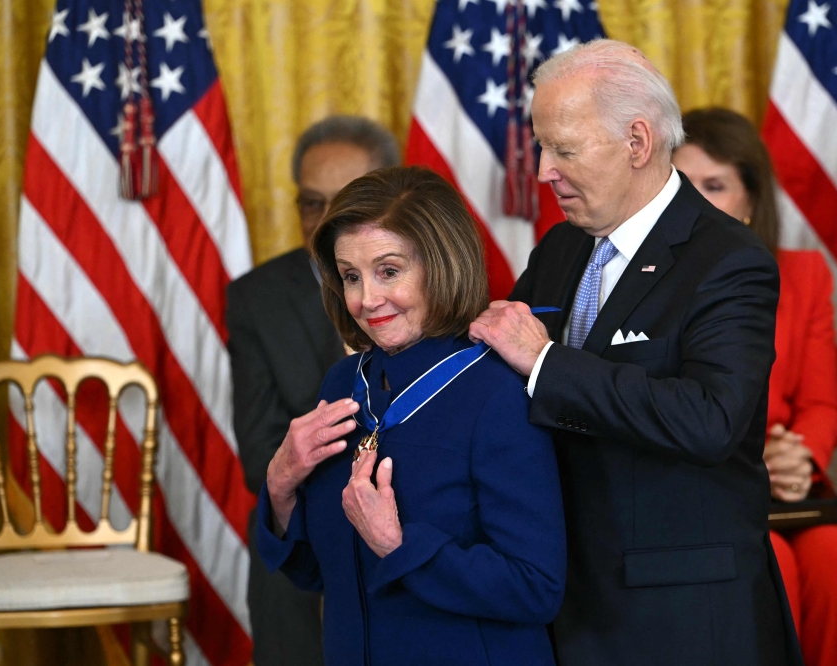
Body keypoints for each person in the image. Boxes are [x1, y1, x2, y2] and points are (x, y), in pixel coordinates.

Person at [470, 39, 802, 665]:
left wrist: (546, 365)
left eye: (563, 149)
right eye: (543, 147)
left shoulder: (728, 261)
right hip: (567, 602)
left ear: (638, 143)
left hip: (680, 615)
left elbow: (710, 419)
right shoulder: (560, 250)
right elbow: (498, 374)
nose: (544, 171)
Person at [256, 166, 566, 665]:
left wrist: (398, 544)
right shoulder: (342, 385)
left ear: (440, 265)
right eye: (351, 276)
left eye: (389, 271)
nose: (366, 300)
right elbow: (317, 573)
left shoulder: (498, 391)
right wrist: (280, 486)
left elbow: (536, 589)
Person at [673, 107, 837, 666]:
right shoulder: (648, 282)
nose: (699, 201)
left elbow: (823, 403)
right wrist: (754, 458)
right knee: (770, 561)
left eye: (716, 186)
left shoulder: (804, 274)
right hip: (708, 483)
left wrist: (795, 459)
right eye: (684, 185)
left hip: (788, 483)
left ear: (752, 201)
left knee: (834, 560)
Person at [226, 115, 400, 665]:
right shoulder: (256, 299)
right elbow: (261, 456)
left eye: (345, 200)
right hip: (307, 534)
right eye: (310, 202)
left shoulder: (432, 285)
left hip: (410, 529)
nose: (326, 221)